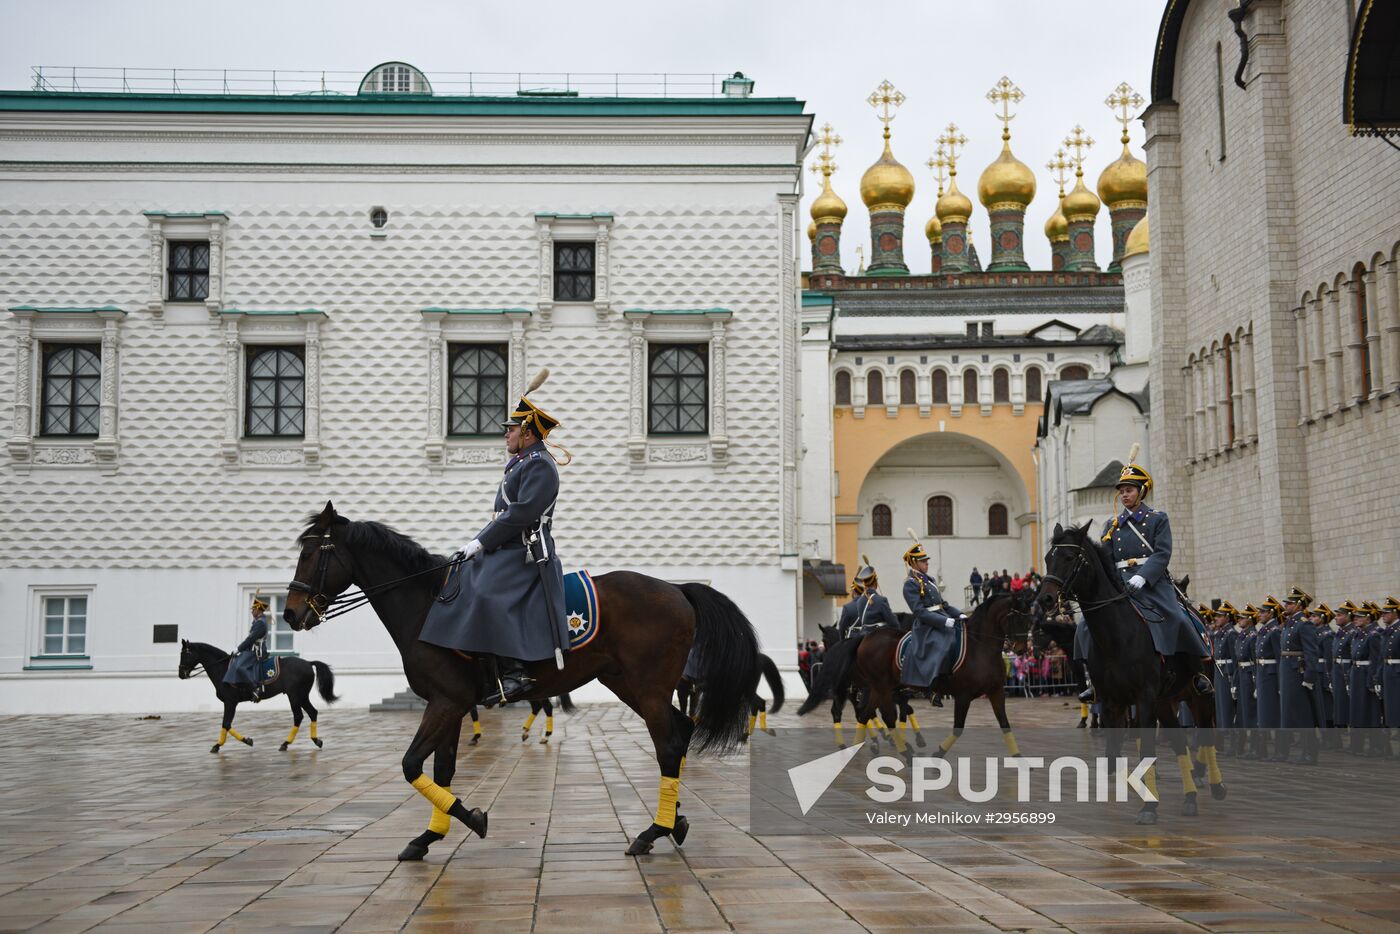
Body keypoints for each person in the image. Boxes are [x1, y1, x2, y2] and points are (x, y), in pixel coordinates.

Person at [420, 370, 569, 706]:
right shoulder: (521, 463)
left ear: (528, 433)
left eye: (511, 429)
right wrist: (477, 544)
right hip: (506, 548)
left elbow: (520, 514)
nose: (506, 435)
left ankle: (517, 672)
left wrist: (480, 543)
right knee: (463, 579)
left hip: (527, 552)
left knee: (487, 592)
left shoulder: (540, 465)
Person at [1099, 461, 1213, 696]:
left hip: (1151, 583)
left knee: (1177, 618)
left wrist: (1142, 577)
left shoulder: (1157, 519)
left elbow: (1162, 553)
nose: (1124, 495)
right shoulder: (1111, 526)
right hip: (1121, 585)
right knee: (1088, 625)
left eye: (1129, 490)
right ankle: (1094, 679)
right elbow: (1106, 558)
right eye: (1121, 491)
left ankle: (1196, 672)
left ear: (1141, 491)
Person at [899, 538, 967, 699]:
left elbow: (943, 604)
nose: (927, 563)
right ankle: (935, 684)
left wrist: (958, 614)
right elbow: (919, 611)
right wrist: (943, 621)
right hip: (926, 625)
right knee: (945, 643)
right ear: (914, 563)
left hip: (942, 618)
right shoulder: (910, 584)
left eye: (926, 560)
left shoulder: (930, 581)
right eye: (923, 561)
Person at [1277, 587, 1323, 764]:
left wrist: (1309, 677)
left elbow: (1311, 652)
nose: (1286, 605)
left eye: (1289, 603)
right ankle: (1291, 752)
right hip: (1288, 672)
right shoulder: (1290, 623)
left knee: (1304, 715)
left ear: (1298, 605)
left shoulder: (1304, 624)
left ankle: (1310, 753)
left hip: (1298, 673)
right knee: (1290, 714)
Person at [224, 593, 270, 701]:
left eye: (253, 609)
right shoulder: (258, 621)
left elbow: (251, 639)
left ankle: (255, 688)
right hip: (252, 649)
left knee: (240, 666)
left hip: (257, 651)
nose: (252, 611)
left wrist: (238, 649)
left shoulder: (260, 623)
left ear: (258, 610)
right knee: (237, 661)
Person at [839, 559, 897, 640]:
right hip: (879, 637)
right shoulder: (880, 600)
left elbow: (842, 628)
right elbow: (893, 623)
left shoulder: (859, 602)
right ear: (875, 582)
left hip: (861, 637)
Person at [1211, 602, 1239, 753]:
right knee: (1221, 709)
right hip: (1219, 673)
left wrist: (1234, 679)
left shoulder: (1231, 634)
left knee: (1229, 710)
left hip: (1227, 674)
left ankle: (1234, 745)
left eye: (1220, 616)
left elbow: (1235, 659)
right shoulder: (1220, 633)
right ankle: (1222, 744)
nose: (1217, 618)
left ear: (1228, 618)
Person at [1235, 605, 1261, 758]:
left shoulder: (1253, 636)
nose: (1239, 620)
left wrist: (1256, 682)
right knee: (1243, 713)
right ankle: (1243, 747)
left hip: (1250, 676)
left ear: (1250, 620)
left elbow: (1255, 661)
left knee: (1251, 713)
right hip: (1242, 675)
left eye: (1243, 617)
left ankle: (1255, 748)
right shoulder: (1242, 635)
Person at [1377, 596, 1400, 754]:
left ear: (1395, 613)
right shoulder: (1388, 631)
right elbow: (1381, 657)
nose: (1383, 615)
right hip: (1388, 673)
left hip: (1397, 673)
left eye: (1386, 612)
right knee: (1390, 711)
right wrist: (1378, 677)